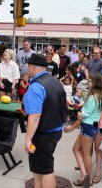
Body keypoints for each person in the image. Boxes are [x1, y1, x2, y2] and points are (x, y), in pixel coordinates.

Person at [23, 53, 68, 188]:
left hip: (43, 134)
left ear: (34, 67)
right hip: (55, 130)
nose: (27, 69)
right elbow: (64, 103)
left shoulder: (36, 86)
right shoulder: (55, 81)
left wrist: (28, 139)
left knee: (46, 169)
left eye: (28, 66)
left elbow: (35, 116)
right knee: (39, 167)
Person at [68, 74, 102, 186]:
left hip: (88, 126)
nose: (87, 82)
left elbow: (84, 115)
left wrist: (79, 115)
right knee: (76, 149)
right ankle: (84, 174)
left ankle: (87, 178)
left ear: (95, 83)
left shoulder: (92, 98)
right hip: (95, 126)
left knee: (86, 154)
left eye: (90, 81)